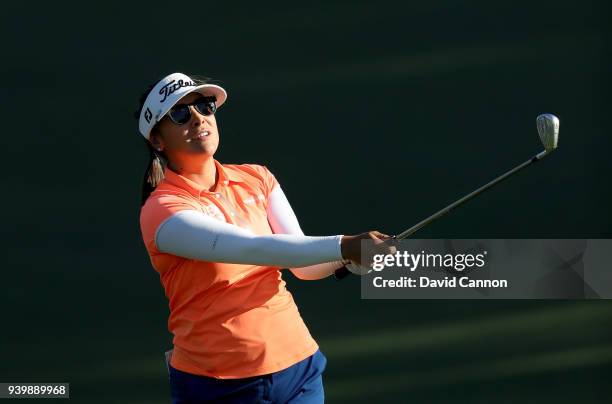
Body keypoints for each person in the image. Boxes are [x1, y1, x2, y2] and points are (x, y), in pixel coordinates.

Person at [137, 72, 394, 403]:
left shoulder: (256, 177)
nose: (199, 118)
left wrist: (350, 258)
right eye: (181, 114)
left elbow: (303, 266)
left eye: (205, 106)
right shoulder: (162, 209)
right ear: (158, 140)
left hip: (298, 366)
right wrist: (345, 244)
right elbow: (250, 248)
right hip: (217, 384)